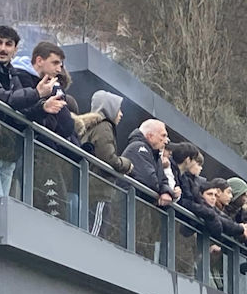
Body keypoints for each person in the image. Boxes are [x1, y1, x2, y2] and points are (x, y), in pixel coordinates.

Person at [0, 25, 55, 197]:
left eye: (8, 44)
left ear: (15, 49)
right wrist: (37, 93)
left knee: (1, 207)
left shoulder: (11, 71)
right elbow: (0, 98)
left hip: (6, 152)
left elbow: (21, 109)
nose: (2, 48)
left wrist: (42, 107)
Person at [73, 90, 134, 237]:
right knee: (96, 232)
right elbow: (107, 157)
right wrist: (127, 164)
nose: (121, 114)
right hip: (99, 190)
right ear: (110, 108)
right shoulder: (104, 127)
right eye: (118, 109)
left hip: (89, 187)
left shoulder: (89, 127)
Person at [120, 119, 175, 206]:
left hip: (139, 208)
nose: (166, 141)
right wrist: (161, 192)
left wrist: (166, 192)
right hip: (126, 206)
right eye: (163, 136)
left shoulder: (155, 155)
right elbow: (149, 180)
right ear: (150, 136)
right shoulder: (137, 147)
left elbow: (163, 181)